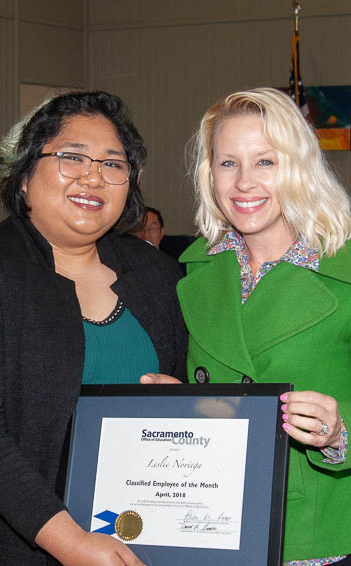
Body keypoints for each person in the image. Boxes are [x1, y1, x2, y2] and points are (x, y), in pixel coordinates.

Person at [0, 91, 187, 565]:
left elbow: (189, 386)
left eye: (112, 163)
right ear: (23, 176)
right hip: (11, 546)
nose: (93, 176)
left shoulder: (157, 275)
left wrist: (184, 404)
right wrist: (70, 542)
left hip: (140, 535)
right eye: (71, 157)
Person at [177, 87, 351, 564]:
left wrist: (340, 433)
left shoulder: (344, 272)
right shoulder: (194, 271)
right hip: (210, 522)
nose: (243, 183)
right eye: (228, 163)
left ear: (299, 167)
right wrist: (173, 403)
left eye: (265, 162)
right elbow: (221, 404)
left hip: (315, 533)